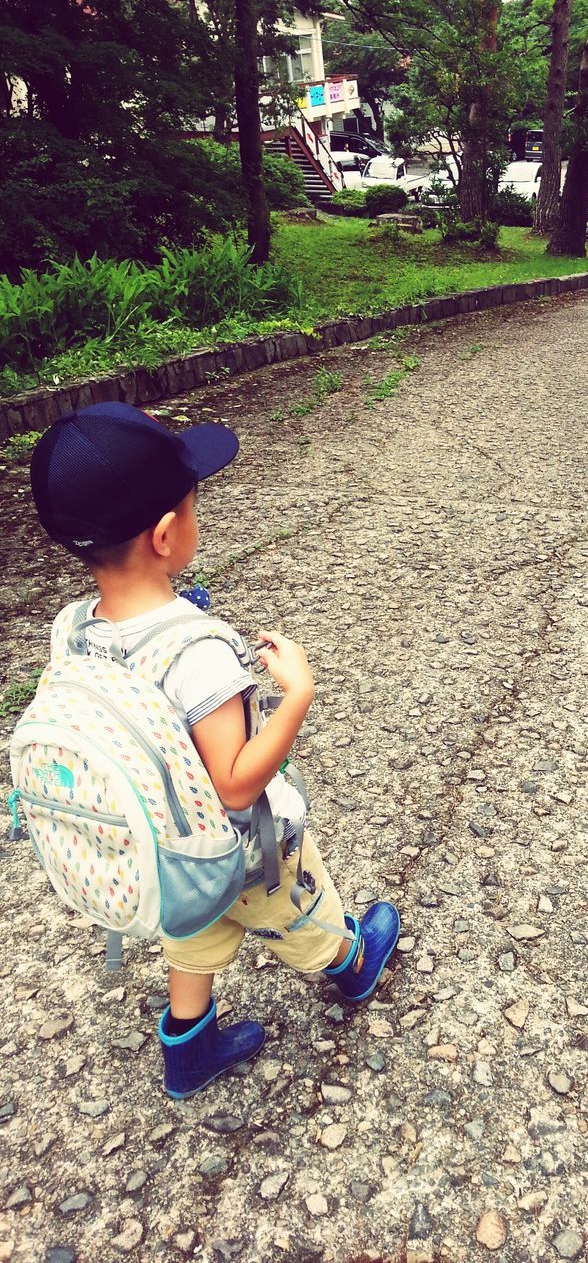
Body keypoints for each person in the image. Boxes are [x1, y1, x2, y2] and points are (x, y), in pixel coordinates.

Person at [28, 402, 402, 1098]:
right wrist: (297, 696)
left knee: (191, 936)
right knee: (298, 908)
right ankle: (351, 963)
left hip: (169, 859)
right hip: (242, 855)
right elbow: (233, 784)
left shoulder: (74, 628)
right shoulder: (196, 652)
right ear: (167, 534)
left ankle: (189, 1053)